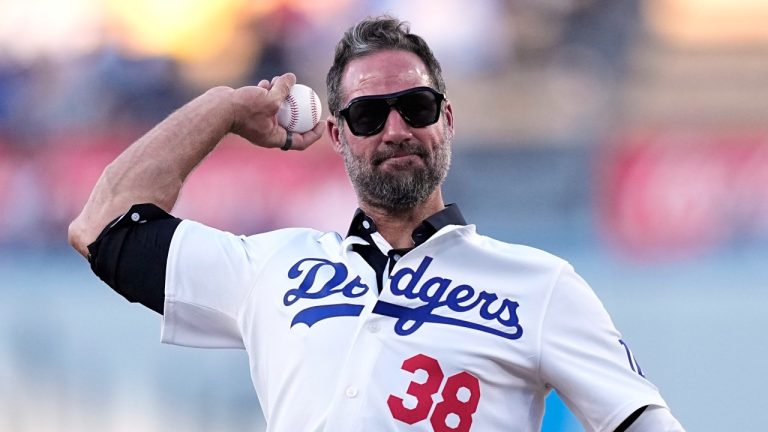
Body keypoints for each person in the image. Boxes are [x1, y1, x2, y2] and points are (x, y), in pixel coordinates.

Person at [68, 15, 684, 432]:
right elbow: (103, 226)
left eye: (414, 107)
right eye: (367, 116)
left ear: (446, 119)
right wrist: (223, 108)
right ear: (336, 135)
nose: (395, 131)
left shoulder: (541, 284)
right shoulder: (271, 268)